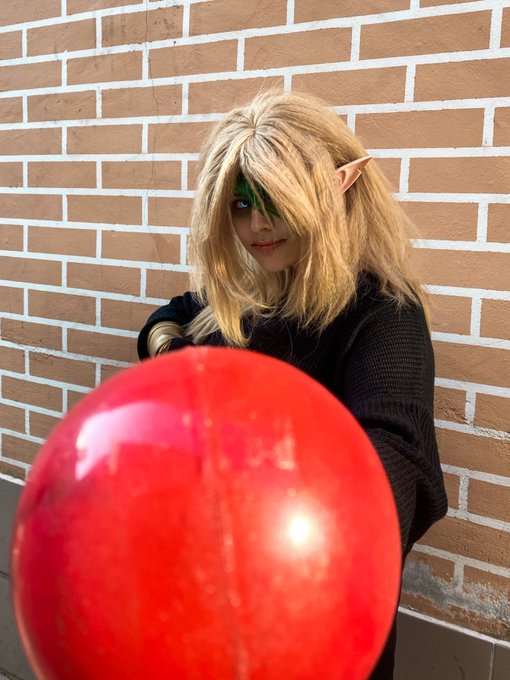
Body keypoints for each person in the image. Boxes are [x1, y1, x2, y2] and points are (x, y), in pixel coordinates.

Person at [137, 90, 448, 679]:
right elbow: (169, 316)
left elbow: (389, 474)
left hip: (314, 621)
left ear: (336, 189)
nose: (258, 225)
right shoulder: (251, 292)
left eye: (277, 201)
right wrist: (175, 358)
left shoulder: (385, 314)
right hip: (207, 609)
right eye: (241, 204)